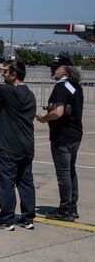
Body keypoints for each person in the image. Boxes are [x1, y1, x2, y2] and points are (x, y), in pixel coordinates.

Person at [0, 60, 37, 230]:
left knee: (6, 183)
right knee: (25, 182)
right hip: (26, 145)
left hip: (9, 146)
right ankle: (27, 218)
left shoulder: (11, 91)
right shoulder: (30, 94)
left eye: (6, 72)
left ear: (14, 75)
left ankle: (6, 219)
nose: (3, 75)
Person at [37, 55, 84, 221]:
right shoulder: (74, 85)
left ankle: (65, 209)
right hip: (75, 134)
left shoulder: (60, 87)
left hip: (62, 136)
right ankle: (72, 206)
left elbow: (58, 112)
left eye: (55, 67)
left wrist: (44, 118)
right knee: (70, 171)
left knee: (63, 173)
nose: (52, 70)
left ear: (65, 70)